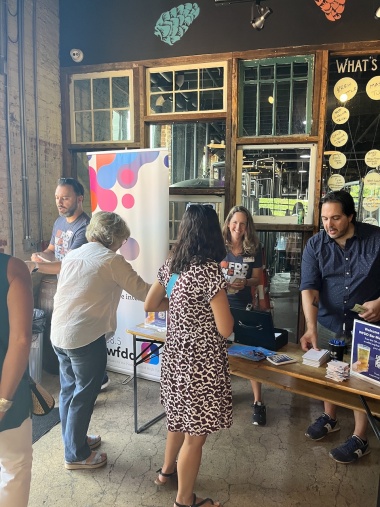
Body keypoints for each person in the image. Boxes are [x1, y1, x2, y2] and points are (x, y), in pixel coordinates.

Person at [50, 211, 158, 470]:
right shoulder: (112, 261)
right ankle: (76, 455)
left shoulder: (74, 254)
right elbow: (145, 293)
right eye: (122, 240)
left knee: (69, 391)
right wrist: (173, 291)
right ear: (114, 238)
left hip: (59, 333)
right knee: (84, 395)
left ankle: (74, 441)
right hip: (84, 337)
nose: (122, 245)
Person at [144, 204, 233, 507]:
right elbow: (225, 328)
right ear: (212, 232)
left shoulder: (174, 265)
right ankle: (185, 500)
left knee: (177, 421)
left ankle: (166, 473)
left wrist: (182, 307)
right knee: (195, 437)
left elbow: (151, 303)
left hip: (175, 360)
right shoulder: (210, 272)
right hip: (201, 366)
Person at [300, 190, 380, 464]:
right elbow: (309, 288)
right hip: (329, 321)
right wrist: (310, 327)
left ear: (351, 217)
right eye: (324, 219)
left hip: (367, 326)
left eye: (335, 218)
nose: (329, 225)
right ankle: (330, 417)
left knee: (360, 379)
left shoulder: (376, 240)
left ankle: (360, 437)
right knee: (328, 373)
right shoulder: (315, 245)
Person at [28, 177, 110, 390]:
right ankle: (86, 382)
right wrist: (40, 255)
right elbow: (52, 251)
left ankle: (96, 380)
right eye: (57, 197)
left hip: (81, 290)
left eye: (65, 197)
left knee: (80, 339)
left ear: (79, 199)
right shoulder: (59, 222)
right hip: (64, 288)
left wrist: (34, 267)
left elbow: (68, 266)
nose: (59, 202)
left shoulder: (85, 228)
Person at [220, 206, 265, 425]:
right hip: (218, 305)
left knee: (250, 353)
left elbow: (257, 279)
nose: (238, 227)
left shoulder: (253, 248)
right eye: (235, 222)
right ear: (228, 223)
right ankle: (222, 395)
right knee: (220, 351)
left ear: (248, 226)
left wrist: (245, 282)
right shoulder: (218, 247)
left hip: (243, 304)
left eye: (243, 223)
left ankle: (258, 402)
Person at [0, 254, 33, 507]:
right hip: (9, 390)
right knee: (14, 468)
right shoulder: (11, 268)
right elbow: (21, 341)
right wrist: (2, 403)